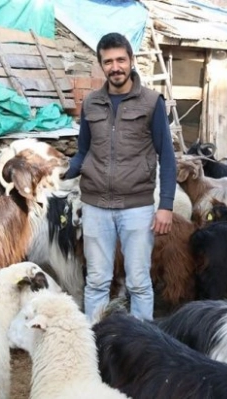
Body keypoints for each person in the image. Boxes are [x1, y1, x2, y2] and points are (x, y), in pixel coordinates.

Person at [63, 32, 177, 322]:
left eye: (120, 60)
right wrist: (66, 171)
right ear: (102, 65)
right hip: (95, 206)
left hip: (136, 207)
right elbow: (83, 150)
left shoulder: (151, 103)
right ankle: (98, 346)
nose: (115, 67)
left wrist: (165, 205)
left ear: (131, 61)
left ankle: (141, 349)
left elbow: (167, 156)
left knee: (139, 282)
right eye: (108, 61)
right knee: (97, 282)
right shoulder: (91, 104)